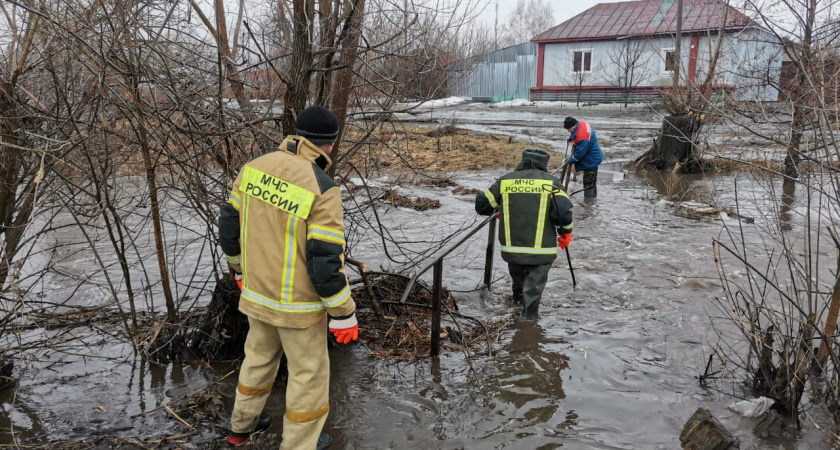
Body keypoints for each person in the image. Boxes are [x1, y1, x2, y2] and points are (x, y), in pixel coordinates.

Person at [219, 105, 358, 449]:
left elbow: (228, 226)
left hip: (256, 295)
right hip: (299, 308)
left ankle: (240, 430)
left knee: (258, 360)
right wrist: (344, 314)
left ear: (297, 134)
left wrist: (238, 269)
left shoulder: (253, 168)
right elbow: (325, 260)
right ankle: (299, 444)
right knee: (308, 378)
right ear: (329, 144)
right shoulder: (322, 186)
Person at [475, 149, 574, 316]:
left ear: (522, 161)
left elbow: (482, 206)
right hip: (541, 250)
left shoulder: (505, 181)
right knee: (533, 290)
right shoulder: (551, 183)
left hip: (512, 248)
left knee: (518, 282)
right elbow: (563, 213)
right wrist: (566, 233)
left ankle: (515, 310)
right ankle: (528, 326)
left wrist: (502, 206)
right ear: (544, 164)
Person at [563, 116, 604, 199]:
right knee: (592, 182)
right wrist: (572, 139)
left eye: (569, 128)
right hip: (593, 156)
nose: (568, 131)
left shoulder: (583, 136)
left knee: (588, 184)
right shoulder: (581, 123)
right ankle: (593, 200)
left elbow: (579, 154)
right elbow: (576, 136)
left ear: (574, 125)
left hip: (591, 159)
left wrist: (570, 160)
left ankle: (588, 204)